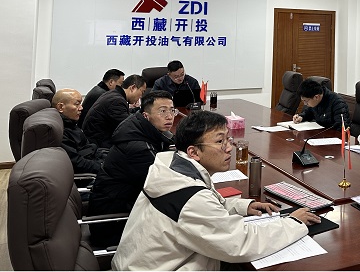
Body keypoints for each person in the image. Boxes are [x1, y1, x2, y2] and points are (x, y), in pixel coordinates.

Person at [112, 110, 320, 270]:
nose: (229, 147)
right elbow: (240, 244)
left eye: (228, 139)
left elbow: (204, 206)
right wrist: (294, 222)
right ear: (193, 152)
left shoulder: (172, 167)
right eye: (220, 141)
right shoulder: (191, 198)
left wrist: (241, 207)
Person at [87, 90, 176, 247]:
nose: (169, 116)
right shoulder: (137, 147)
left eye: (172, 110)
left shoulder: (138, 129)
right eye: (162, 111)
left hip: (128, 209)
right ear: (146, 115)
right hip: (114, 224)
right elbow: (163, 186)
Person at [82, 74, 146, 149]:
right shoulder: (116, 100)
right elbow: (128, 126)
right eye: (142, 92)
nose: (141, 96)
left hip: (98, 140)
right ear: (133, 88)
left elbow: (125, 113)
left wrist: (140, 111)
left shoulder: (114, 94)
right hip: (99, 146)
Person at [52, 88, 108, 175]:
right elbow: (78, 163)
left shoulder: (70, 123)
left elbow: (88, 149)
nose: (81, 108)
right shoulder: (60, 132)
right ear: (61, 107)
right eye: (77, 104)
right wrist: (105, 167)